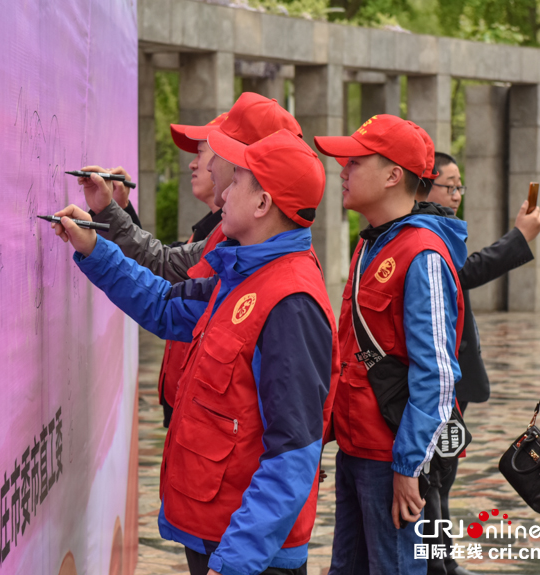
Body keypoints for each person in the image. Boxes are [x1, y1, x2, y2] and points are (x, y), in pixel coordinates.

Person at [51, 128, 338, 575]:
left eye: (238, 181)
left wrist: (235, 563)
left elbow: (294, 454)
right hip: (216, 534)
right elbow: (165, 306)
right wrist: (94, 248)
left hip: (247, 553)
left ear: (263, 205)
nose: (224, 192)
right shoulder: (242, 273)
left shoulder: (290, 302)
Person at [78, 92, 305, 427]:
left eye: (213, 152)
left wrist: (104, 232)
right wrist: (101, 240)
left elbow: (293, 435)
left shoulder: (288, 293)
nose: (203, 164)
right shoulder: (233, 245)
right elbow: (166, 300)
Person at [314, 114, 467, 575]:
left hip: (393, 461)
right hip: (356, 449)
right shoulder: (370, 245)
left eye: (355, 161)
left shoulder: (422, 254)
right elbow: (350, 355)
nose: (342, 170)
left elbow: (437, 373)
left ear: (393, 175)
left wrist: (407, 468)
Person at [415, 152, 540, 575]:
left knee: (442, 472)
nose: (456, 195)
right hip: (437, 381)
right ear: (420, 186)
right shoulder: (422, 232)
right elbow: (463, 273)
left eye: (459, 187)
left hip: (451, 378)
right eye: (448, 186)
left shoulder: (437, 227)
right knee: (431, 475)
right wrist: (517, 239)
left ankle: (442, 560)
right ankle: (438, 565)